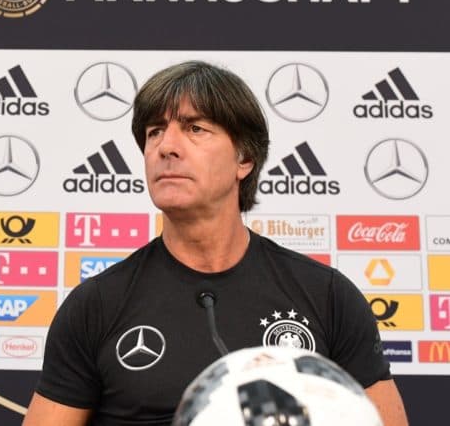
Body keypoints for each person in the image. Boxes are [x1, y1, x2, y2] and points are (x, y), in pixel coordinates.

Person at [23, 61, 408, 426]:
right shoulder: (96, 306)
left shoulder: (327, 295)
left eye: (194, 129)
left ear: (244, 159)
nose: (166, 147)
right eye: (155, 131)